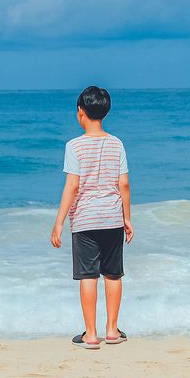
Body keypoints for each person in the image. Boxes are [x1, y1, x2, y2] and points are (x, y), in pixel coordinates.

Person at [50, 86, 133, 349]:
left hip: (85, 220)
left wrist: (59, 221)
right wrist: (127, 218)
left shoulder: (74, 146)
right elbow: (124, 185)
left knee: (88, 276)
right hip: (112, 218)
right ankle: (111, 331)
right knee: (113, 274)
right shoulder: (117, 143)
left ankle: (90, 334)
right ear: (105, 112)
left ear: (80, 112)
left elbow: (72, 186)